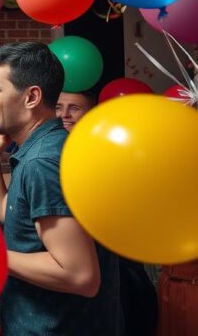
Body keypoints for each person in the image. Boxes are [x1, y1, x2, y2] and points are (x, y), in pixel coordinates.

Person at [0, 42, 121, 335]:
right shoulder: (46, 148)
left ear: (31, 97)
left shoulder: (43, 162)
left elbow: (80, 276)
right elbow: (11, 215)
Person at [54, 90, 159, 336]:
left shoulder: (106, 150)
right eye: (59, 107)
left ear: (90, 114)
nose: (65, 115)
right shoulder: (51, 154)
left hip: (117, 267)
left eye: (74, 108)